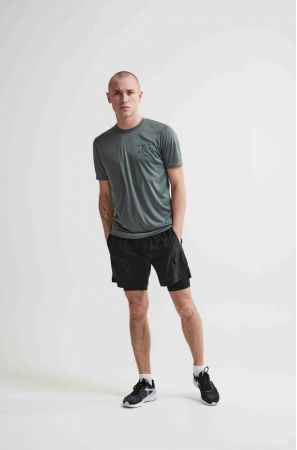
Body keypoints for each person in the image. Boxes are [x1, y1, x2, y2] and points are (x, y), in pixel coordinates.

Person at [93, 70, 220, 407]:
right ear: (109, 98)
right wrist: (110, 240)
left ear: (140, 95)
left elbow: (178, 184)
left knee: (185, 306)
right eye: (117, 93)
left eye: (129, 92)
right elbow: (105, 195)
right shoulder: (101, 144)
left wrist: (176, 233)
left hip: (164, 236)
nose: (123, 98)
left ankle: (201, 371)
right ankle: (146, 381)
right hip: (124, 241)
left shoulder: (162, 134)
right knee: (137, 309)